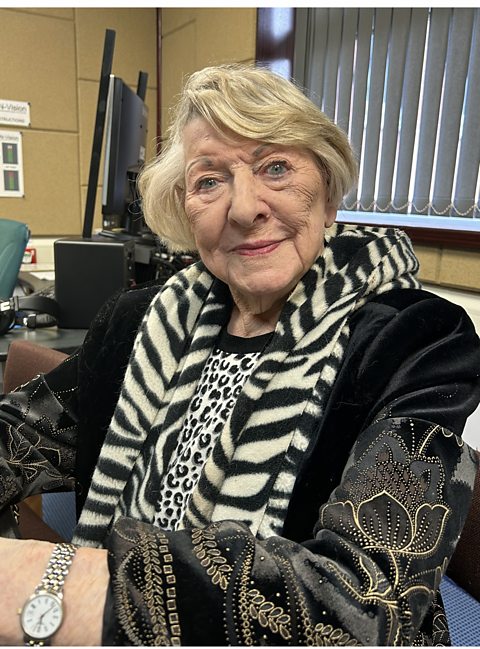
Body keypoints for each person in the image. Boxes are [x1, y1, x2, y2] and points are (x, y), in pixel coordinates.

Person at [0, 63, 479, 646]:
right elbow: (16, 436)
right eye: (209, 181)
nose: (244, 207)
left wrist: (40, 582)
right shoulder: (136, 323)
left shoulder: (417, 340)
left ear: (327, 194)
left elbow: (361, 608)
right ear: (186, 211)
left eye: (276, 167)